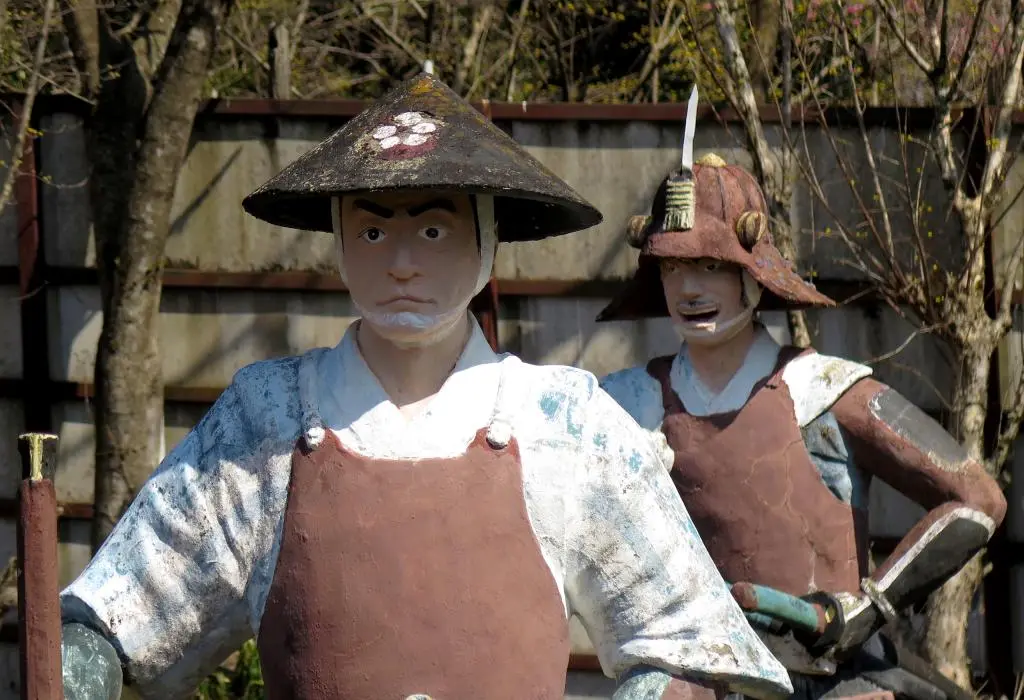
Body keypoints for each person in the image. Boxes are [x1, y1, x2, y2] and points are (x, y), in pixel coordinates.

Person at [57, 73, 793, 700]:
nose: (402, 262)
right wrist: (74, 662)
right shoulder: (267, 419)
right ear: (339, 240)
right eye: (373, 232)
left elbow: (687, 645)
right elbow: (115, 618)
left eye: (434, 231)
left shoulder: (565, 423)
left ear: (486, 238)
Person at [595, 90, 1006, 700]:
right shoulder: (628, 406)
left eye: (711, 266)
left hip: (833, 675)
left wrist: (867, 609)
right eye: (673, 268)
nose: (689, 289)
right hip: (708, 676)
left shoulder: (824, 393)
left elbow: (977, 497)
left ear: (752, 274)